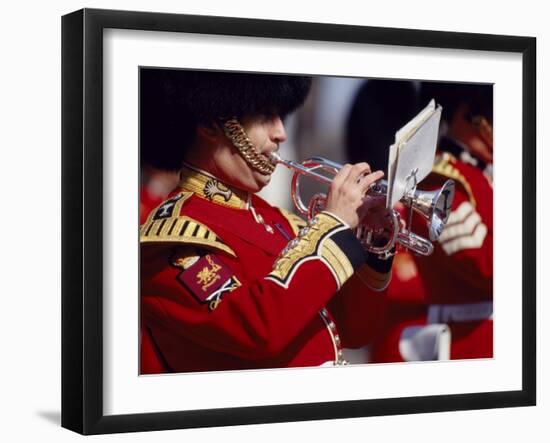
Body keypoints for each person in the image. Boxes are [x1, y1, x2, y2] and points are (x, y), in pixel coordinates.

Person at [139, 69, 393, 374]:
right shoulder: (172, 238)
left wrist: (372, 240)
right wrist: (332, 226)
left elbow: (355, 330)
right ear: (210, 122)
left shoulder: (279, 222)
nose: (281, 132)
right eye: (264, 115)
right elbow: (257, 328)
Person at [346, 79, 493, 362]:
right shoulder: (444, 178)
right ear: (470, 112)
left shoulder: (485, 179)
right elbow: (487, 266)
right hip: (458, 345)